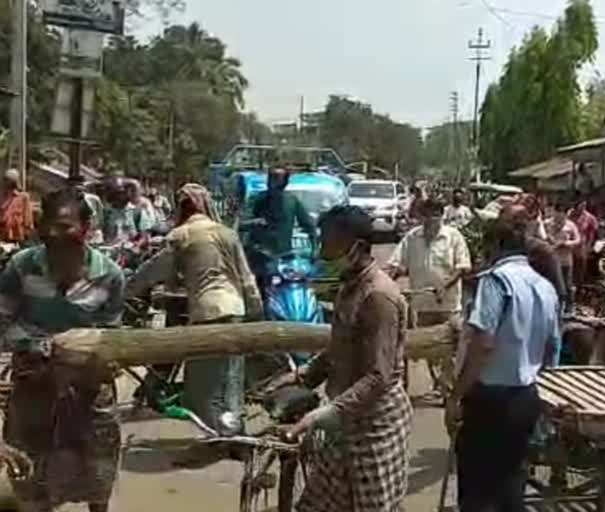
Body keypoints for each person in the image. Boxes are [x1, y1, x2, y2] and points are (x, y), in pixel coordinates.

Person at [276, 205, 412, 512]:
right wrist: (304, 375)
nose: (323, 254)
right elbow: (341, 346)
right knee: (317, 504)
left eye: (329, 244)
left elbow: (379, 375)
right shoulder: (348, 288)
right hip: (344, 420)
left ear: (358, 247)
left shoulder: (379, 297)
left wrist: (325, 413)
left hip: (375, 423)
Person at [0, 187, 125, 512]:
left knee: (97, 472)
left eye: (65, 225)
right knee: (29, 475)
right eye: (49, 225)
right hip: (33, 385)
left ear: (85, 228)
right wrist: (37, 347)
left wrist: (94, 359)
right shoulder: (21, 267)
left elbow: (110, 333)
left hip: (88, 390)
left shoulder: (109, 276)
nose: (55, 233)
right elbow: (4, 319)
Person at [448, 205, 559, 512]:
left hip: (490, 398)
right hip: (526, 395)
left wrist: (456, 396)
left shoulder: (496, 282)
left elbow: (484, 343)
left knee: (478, 489)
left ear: (494, 246)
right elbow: (551, 347)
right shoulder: (545, 287)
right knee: (512, 481)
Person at [125, 184, 262, 433]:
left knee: (202, 387)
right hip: (235, 309)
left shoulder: (180, 235)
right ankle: (233, 431)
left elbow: (151, 272)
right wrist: (256, 310)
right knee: (231, 378)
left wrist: (123, 290)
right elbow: (247, 278)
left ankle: (220, 435)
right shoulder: (227, 233)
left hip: (207, 313)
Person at [387, 198, 472, 326]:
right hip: (420, 307)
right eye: (426, 215)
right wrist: (387, 285)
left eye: (435, 215)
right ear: (421, 216)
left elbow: (463, 267)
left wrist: (444, 286)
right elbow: (398, 265)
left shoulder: (454, 237)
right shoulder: (412, 237)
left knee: (449, 342)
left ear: (442, 216)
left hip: (448, 306)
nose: (430, 219)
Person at [545, 204, 581, 306]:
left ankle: (568, 306)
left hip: (565, 260)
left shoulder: (571, 225)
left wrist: (566, 244)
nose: (560, 215)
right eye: (558, 212)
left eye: (563, 213)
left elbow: (578, 240)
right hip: (551, 259)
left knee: (567, 284)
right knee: (551, 283)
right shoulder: (547, 224)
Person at [569, 196, 599, 287]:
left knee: (580, 270)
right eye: (580, 205)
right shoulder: (570, 214)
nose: (582, 208)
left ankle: (579, 288)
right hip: (570, 246)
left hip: (582, 246)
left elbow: (594, 233)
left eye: (584, 206)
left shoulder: (589, 218)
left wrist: (589, 246)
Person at [0, 169, 34, 244]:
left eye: (8, 180)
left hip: (17, 236)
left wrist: (27, 232)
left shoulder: (23, 197)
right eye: (5, 180)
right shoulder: (1, 195)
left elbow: (27, 217)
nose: (5, 182)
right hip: (2, 235)